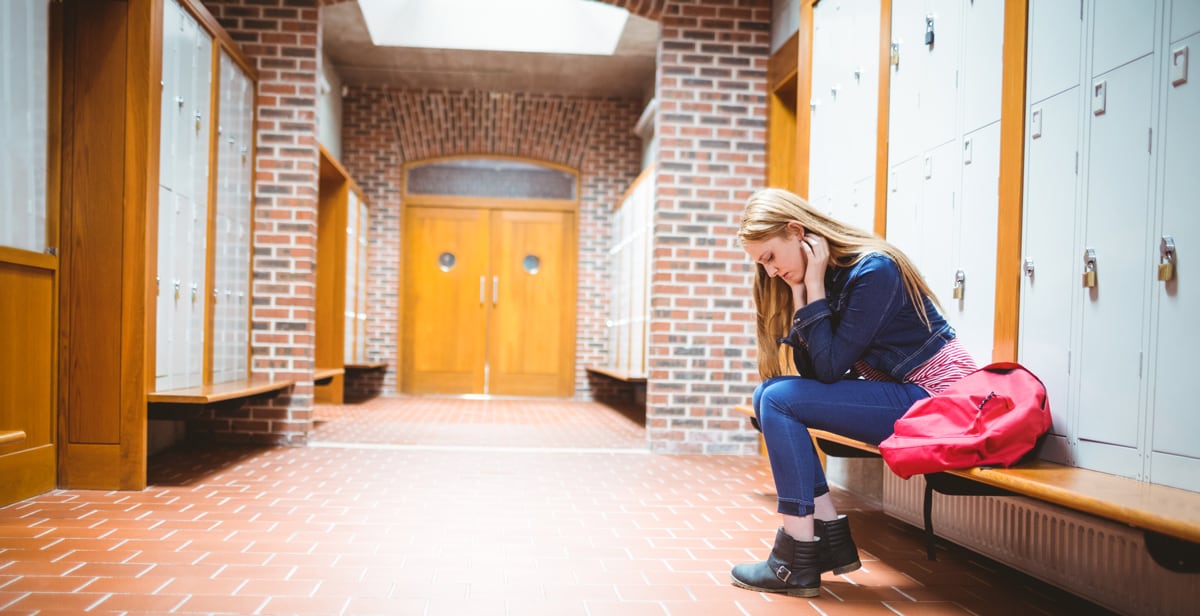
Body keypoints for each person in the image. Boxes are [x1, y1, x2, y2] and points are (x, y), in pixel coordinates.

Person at [730, 187, 978, 597]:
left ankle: (796, 557)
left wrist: (811, 286)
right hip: (907, 394)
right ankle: (825, 538)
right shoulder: (829, 277)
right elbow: (816, 368)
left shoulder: (874, 271)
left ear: (797, 231)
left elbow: (827, 370)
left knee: (775, 398)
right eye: (762, 265)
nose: (770, 272)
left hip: (938, 402)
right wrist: (804, 293)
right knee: (768, 395)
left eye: (771, 257)